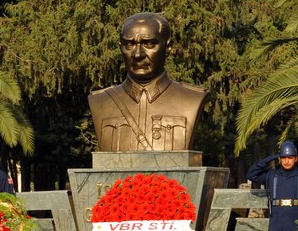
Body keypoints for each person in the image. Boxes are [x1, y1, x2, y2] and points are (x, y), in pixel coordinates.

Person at [88, 12, 209, 152]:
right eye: (129, 44)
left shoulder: (191, 99)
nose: (138, 54)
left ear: (168, 47)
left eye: (149, 44)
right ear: (120, 47)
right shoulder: (100, 101)